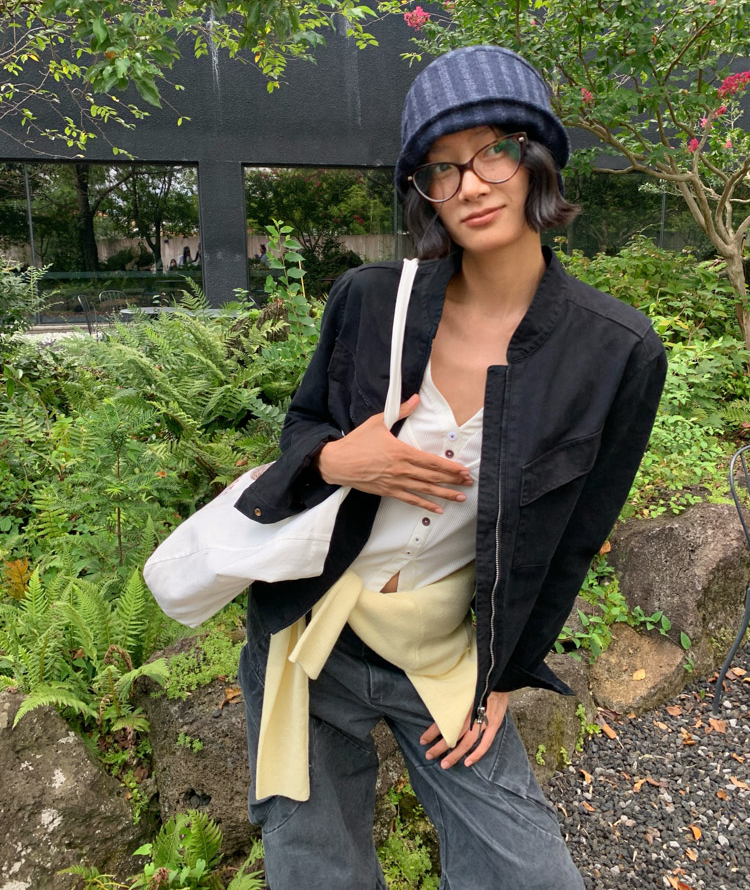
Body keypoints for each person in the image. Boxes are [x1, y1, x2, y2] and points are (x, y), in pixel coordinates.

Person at [236, 45, 666, 890]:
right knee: (316, 871)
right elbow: (301, 431)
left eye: (493, 151)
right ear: (424, 190)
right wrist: (341, 457)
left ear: (537, 158)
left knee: (529, 876)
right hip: (308, 635)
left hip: (442, 656)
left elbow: (574, 539)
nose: (470, 184)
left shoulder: (616, 352)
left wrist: (505, 675)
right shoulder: (371, 300)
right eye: (442, 167)